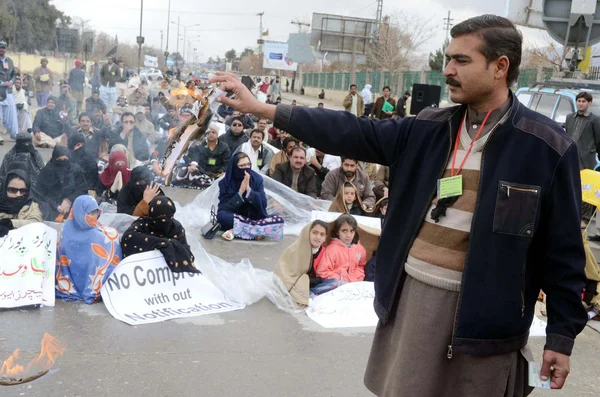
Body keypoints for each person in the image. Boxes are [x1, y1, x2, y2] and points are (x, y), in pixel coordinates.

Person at [210, 13, 588, 395]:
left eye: (462, 60)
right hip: (413, 303)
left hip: (487, 323)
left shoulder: (547, 148)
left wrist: (561, 335)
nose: (448, 70)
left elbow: (564, 253)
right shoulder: (428, 128)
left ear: (500, 67)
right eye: (447, 59)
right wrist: (265, 110)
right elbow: (350, 130)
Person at [55, 195, 122, 304]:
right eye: (90, 213)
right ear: (79, 212)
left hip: (73, 284)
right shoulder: (65, 232)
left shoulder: (99, 234)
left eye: (96, 212)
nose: (94, 216)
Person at [122, 196, 199, 273]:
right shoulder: (143, 224)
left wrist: (169, 245)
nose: (163, 221)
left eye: (167, 217)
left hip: (164, 274)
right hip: (143, 271)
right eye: (159, 217)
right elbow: (128, 238)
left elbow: (187, 254)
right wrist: (162, 243)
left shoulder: (176, 228)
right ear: (151, 215)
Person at [217, 153, 284, 241]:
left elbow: (263, 204)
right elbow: (223, 207)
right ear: (234, 167)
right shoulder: (225, 183)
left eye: (248, 164)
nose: (246, 168)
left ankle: (236, 230)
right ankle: (258, 230)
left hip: (255, 217)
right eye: (242, 165)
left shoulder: (257, 179)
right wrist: (240, 193)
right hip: (236, 217)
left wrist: (249, 191)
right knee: (221, 216)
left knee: (279, 220)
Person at [564, 92, 600, 225]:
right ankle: (570, 213)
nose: (581, 103)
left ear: (589, 103)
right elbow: (566, 136)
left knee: (585, 187)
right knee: (570, 185)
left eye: (584, 101)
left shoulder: (594, 119)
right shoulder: (570, 117)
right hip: (570, 157)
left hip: (586, 158)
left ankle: (584, 218)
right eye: (579, 101)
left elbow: (598, 140)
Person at [274, 220, 329, 306]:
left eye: (322, 234)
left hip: (315, 282)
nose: (318, 237)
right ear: (308, 232)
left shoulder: (326, 252)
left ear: (325, 237)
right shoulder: (296, 248)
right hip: (297, 281)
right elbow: (286, 270)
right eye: (315, 233)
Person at [33, 146, 88, 222]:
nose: (62, 163)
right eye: (59, 160)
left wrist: (69, 200)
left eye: (65, 160)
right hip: (51, 209)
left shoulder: (75, 170)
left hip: (73, 206)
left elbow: (82, 190)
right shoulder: (47, 171)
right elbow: (40, 194)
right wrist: (55, 205)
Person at [171, 123, 230, 189]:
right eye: (208, 132)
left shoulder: (224, 147)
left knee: (223, 178)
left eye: (213, 132)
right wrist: (193, 164)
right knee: (184, 170)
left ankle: (205, 182)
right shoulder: (199, 143)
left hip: (216, 172)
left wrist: (221, 171)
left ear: (217, 134)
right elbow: (195, 155)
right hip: (200, 170)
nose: (210, 134)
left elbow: (226, 162)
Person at [317, 214, 366, 282]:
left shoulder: (360, 248)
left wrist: (359, 276)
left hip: (356, 284)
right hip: (338, 285)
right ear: (337, 231)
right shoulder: (332, 250)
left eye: (352, 231)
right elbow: (322, 272)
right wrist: (341, 279)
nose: (348, 235)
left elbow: (361, 265)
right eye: (344, 231)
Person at [0, 162, 43, 237]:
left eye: (23, 191)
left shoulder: (31, 206)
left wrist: (11, 224)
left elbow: (37, 223)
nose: (18, 194)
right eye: (13, 190)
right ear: (5, 188)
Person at [0, 41, 17, 142]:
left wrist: (11, 81)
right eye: (0, 47)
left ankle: (14, 134)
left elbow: (14, 74)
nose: (1, 49)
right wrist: (2, 83)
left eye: (3, 48)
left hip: (8, 91)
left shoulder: (9, 61)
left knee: (11, 114)